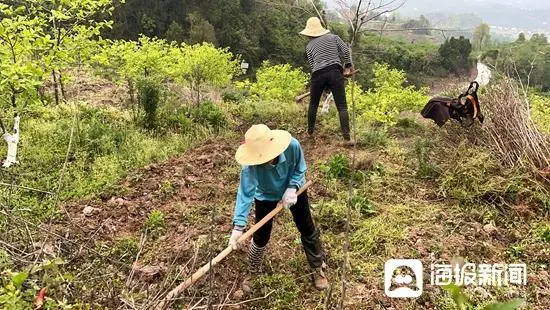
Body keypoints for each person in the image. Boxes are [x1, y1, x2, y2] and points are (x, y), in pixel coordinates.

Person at [228, 124, 329, 290]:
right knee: (261, 235)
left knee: (306, 227)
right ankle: (254, 270)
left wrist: (292, 187)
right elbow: (245, 194)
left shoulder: (292, 146)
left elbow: (300, 168)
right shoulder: (250, 165)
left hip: (294, 190)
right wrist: (238, 226)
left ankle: (317, 267)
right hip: (265, 194)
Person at [300, 17, 354, 144]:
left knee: (313, 104)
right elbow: (346, 51)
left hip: (317, 75)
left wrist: (322, 83)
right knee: (342, 107)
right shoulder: (334, 37)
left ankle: (310, 132)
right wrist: (347, 67)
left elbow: (313, 66)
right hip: (335, 73)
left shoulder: (309, 47)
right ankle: (347, 138)